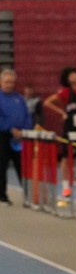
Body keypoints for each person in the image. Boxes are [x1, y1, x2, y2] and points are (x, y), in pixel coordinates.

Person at [0, 68, 32, 202]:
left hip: (19, 137)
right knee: (2, 165)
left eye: (12, 82)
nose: (9, 85)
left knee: (22, 165)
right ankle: (2, 196)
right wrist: (10, 128)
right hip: (3, 136)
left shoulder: (19, 98)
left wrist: (23, 130)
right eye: (7, 82)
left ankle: (28, 195)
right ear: (1, 82)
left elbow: (27, 115)